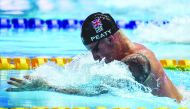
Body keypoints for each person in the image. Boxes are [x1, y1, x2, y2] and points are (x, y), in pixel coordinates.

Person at [7, 12, 182, 102]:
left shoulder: (137, 62)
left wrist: (46, 86)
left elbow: (94, 90)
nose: (95, 57)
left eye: (95, 49)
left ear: (110, 38)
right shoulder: (127, 54)